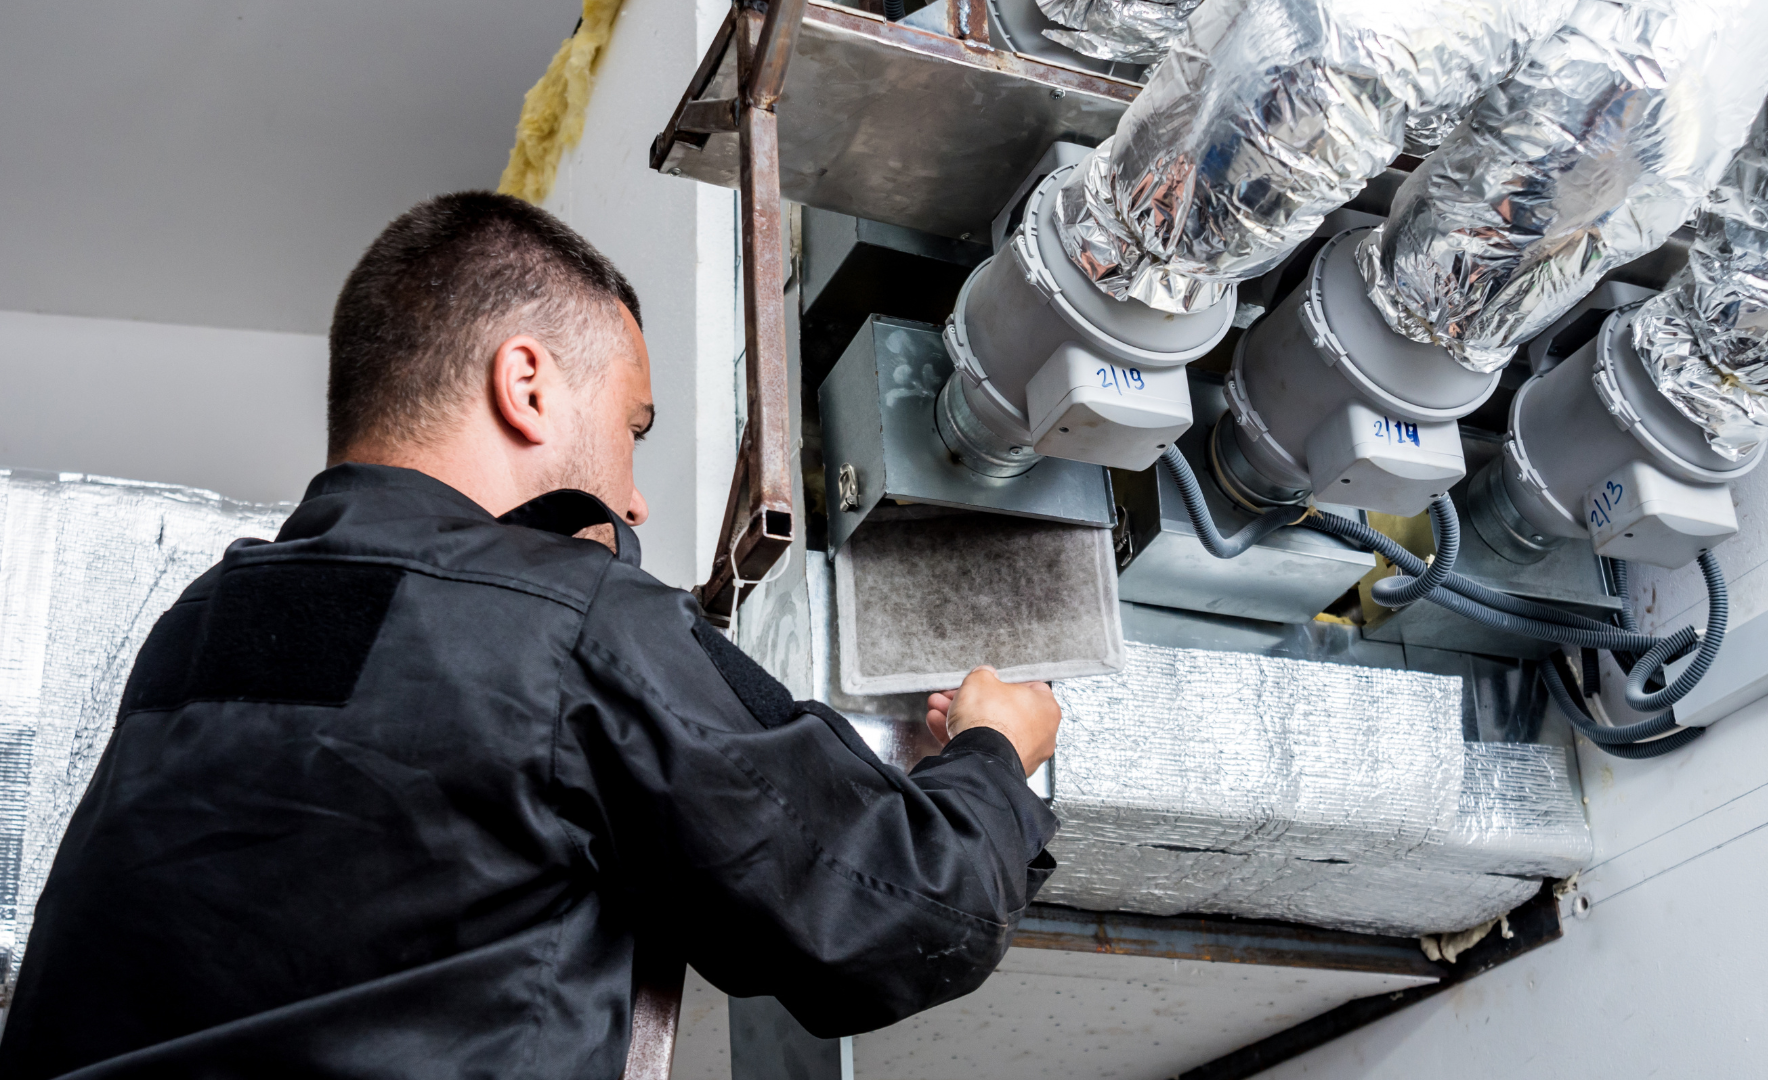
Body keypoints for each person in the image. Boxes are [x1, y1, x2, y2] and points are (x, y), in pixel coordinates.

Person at [0, 192, 1062, 1079]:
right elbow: (902, 909)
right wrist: (995, 756)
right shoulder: (559, 615)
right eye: (631, 430)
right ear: (528, 385)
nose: (637, 501)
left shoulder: (195, 630)